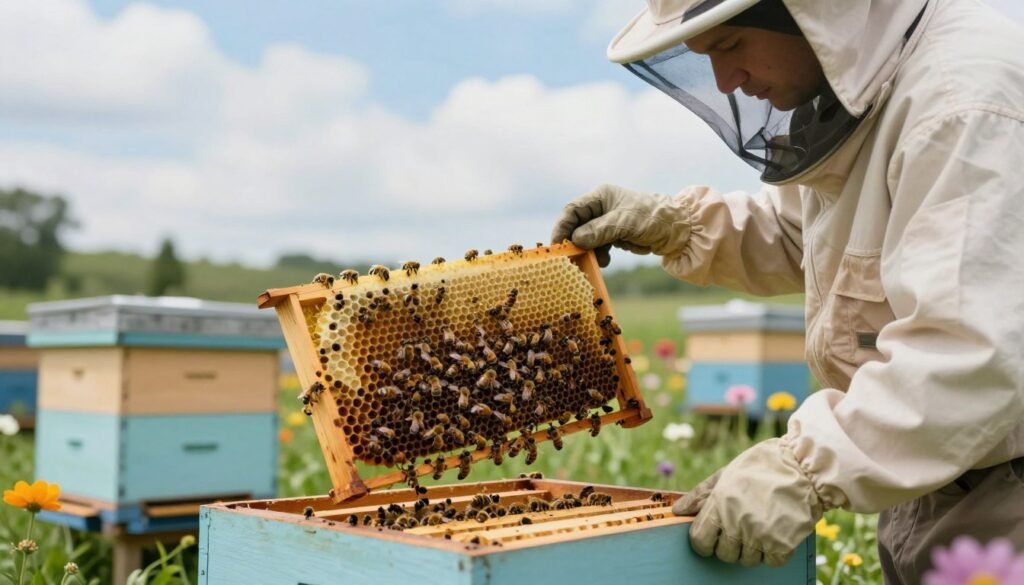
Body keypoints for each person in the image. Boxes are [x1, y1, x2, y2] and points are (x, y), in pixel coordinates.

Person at [551, 0, 1024, 582]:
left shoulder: (963, 103)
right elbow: (810, 237)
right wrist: (675, 223)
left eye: (729, 45)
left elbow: (970, 355)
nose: (726, 82)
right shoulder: (878, 88)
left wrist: (805, 468)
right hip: (938, 473)